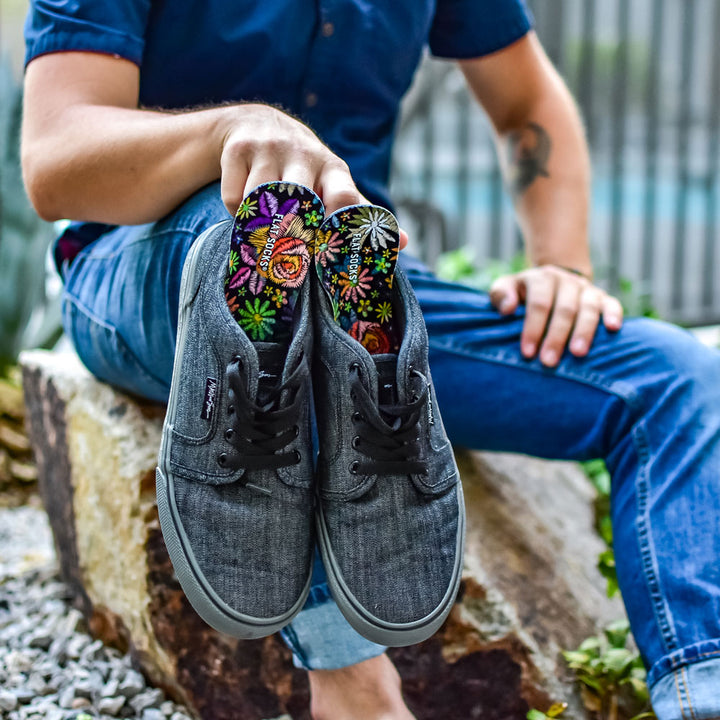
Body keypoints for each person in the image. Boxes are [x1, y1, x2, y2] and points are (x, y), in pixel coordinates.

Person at [20, 1, 720, 718]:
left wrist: (564, 268)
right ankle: (353, 685)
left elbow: (527, 98)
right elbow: (54, 160)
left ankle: (702, 690)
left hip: (366, 305)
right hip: (142, 268)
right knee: (271, 236)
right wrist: (230, 131)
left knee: (666, 376)